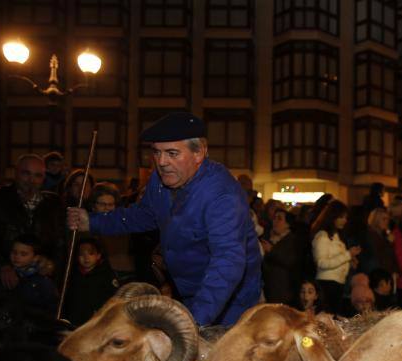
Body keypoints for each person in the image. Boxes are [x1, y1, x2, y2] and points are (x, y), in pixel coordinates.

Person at [67, 111, 262, 326]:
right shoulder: (160, 181)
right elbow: (143, 215)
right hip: (189, 292)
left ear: (199, 153)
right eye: (157, 153)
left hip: (230, 303)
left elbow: (227, 261)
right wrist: (93, 221)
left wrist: (193, 322)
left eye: (172, 153)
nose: (161, 162)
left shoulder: (222, 195)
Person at [0, 154, 64, 288]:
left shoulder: (54, 204)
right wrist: (1, 266)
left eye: (38, 175)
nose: (32, 180)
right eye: (26, 173)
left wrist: (52, 264)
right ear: (15, 173)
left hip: (39, 283)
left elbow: (60, 242)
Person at [0, 233, 58, 314]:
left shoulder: (43, 281)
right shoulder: (7, 275)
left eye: (23, 254)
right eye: (14, 252)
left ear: (35, 258)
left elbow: (51, 307)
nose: (16, 256)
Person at [310, 200, 361, 315]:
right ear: (332, 217)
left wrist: (349, 260)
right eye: (341, 217)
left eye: (345, 217)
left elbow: (337, 258)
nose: (345, 220)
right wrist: (348, 255)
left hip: (338, 283)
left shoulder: (337, 236)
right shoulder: (322, 236)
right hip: (327, 284)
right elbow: (321, 263)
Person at [63, 237, 119, 326]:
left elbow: (113, 299)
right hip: (74, 321)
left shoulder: (106, 275)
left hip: (96, 322)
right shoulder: (71, 275)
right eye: (81, 254)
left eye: (91, 253)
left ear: (98, 256)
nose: (86, 258)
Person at [89, 183, 136, 283]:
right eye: (102, 204)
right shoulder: (89, 228)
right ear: (93, 206)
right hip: (100, 276)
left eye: (110, 204)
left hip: (126, 274)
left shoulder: (122, 226)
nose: (107, 208)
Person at [261, 208, 304, 305]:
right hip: (270, 288)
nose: (275, 221)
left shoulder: (293, 240)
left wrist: (271, 250)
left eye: (279, 219)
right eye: (274, 218)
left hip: (284, 290)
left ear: (287, 224)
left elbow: (291, 261)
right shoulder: (269, 237)